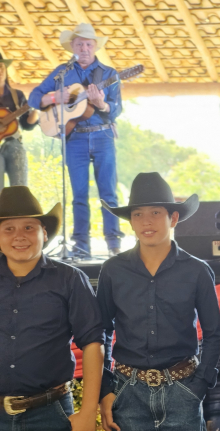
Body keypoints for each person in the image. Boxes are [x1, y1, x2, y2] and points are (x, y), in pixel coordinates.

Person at [97, 172, 220, 431]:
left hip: (182, 387)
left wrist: (199, 386)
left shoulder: (197, 270)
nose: (146, 221)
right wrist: (106, 389)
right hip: (129, 390)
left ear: (173, 218)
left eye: (155, 212)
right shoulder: (113, 271)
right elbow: (101, 331)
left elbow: (213, 333)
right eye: (138, 214)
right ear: (130, 221)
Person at [0, 186, 104, 431]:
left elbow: (93, 343)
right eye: (8, 228)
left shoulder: (69, 279)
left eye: (29, 227)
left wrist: (88, 412)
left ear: (44, 233)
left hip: (49, 413)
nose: (19, 236)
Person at [28, 23, 123, 257]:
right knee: (79, 195)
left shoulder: (109, 74)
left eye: (88, 44)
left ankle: (114, 245)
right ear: (72, 46)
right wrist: (54, 97)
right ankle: (81, 246)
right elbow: (34, 97)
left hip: (102, 135)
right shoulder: (62, 72)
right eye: (79, 44)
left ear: (95, 46)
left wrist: (101, 104)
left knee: (108, 193)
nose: (84, 48)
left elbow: (116, 110)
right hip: (74, 137)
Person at [0, 54, 39, 188]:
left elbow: (27, 125)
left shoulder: (17, 95)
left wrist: (37, 110)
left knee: (20, 186)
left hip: (13, 143)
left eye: (2, 67)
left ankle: (19, 197)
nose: (0, 71)